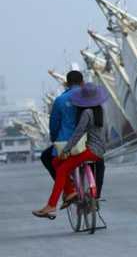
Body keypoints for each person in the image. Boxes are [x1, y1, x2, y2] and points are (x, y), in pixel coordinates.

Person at [33, 83, 109, 218]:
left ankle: (51, 205)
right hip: (100, 151)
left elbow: (78, 133)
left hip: (89, 151)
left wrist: (66, 150)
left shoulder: (87, 112)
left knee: (61, 168)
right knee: (56, 162)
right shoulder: (101, 111)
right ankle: (71, 191)